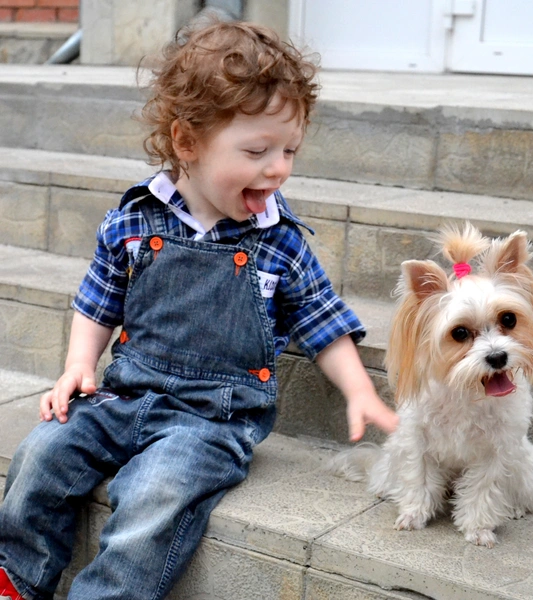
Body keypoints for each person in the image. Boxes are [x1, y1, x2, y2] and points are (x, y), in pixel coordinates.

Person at [0, 20, 398, 600]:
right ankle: (16, 577)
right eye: (258, 151)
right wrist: (78, 364)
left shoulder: (278, 241)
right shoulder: (135, 220)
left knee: (156, 494)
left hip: (212, 419)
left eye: (289, 150)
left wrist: (360, 390)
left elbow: (321, 319)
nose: (279, 168)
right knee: (42, 453)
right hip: (125, 394)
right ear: (187, 143)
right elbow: (98, 296)